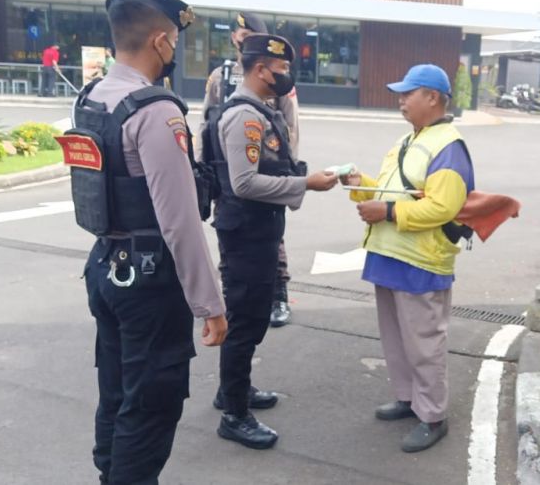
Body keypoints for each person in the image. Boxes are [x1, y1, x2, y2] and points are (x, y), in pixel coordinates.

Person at [64, 0, 228, 485]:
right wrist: (211, 305)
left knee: (116, 390)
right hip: (150, 283)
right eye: (175, 41)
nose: (174, 51)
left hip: (105, 266)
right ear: (160, 40)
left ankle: (108, 475)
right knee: (150, 403)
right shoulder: (155, 111)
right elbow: (179, 221)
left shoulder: (92, 97)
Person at [203, 32, 338, 449]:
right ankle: (234, 414)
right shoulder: (245, 117)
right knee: (245, 322)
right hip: (246, 235)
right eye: (281, 69)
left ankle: (234, 390)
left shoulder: (260, 110)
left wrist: (306, 177)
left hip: (255, 231)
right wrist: (306, 184)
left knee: (251, 317)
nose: (286, 76)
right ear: (261, 69)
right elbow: (244, 183)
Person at [340, 64, 474, 453]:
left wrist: (390, 213)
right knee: (396, 338)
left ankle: (432, 415)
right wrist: (361, 184)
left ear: (432, 98)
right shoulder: (408, 139)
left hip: (421, 260)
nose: (400, 100)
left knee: (424, 343)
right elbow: (391, 190)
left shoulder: (448, 146)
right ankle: (407, 398)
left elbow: (444, 208)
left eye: (407, 94)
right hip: (390, 255)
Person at [204, 12, 301, 328]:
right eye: (239, 32)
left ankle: (277, 296)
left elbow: (291, 128)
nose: (241, 36)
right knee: (230, 234)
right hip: (226, 170)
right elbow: (207, 123)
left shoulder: (275, 76)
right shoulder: (220, 77)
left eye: (249, 33)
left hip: (267, 166)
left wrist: (292, 178)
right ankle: (234, 299)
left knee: (272, 239)